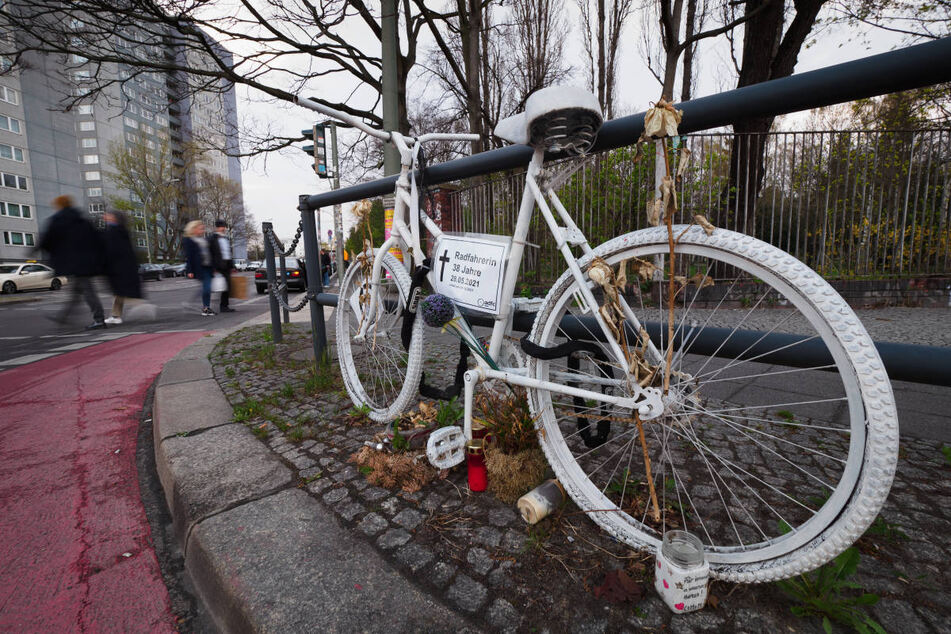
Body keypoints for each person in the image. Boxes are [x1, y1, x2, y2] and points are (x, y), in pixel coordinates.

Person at [38, 195, 106, 329]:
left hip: (72, 263)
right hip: (86, 262)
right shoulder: (83, 221)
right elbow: (97, 240)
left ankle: (99, 319)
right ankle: (63, 317)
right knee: (78, 292)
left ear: (59, 205)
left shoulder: (57, 221)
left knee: (87, 291)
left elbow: (46, 241)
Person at [101, 210, 142, 325]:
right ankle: (116, 315)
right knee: (119, 293)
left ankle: (118, 315)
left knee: (120, 292)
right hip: (121, 267)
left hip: (118, 267)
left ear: (114, 218)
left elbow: (113, 249)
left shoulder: (115, 230)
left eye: (108, 215)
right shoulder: (118, 229)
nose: (105, 216)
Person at [183, 220, 215, 316]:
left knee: (207, 288)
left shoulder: (203, 239)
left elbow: (209, 253)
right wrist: (189, 270)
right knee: (207, 288)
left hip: (208, 266)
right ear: (194, 229)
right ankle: (201, 306)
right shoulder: (188, 240)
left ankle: (206, 307)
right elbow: (189, 256)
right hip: (199, 267)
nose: (203, 230)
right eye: (201, 228)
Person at [208, 219, 235, 312]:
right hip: (218, 265)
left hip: (226, 264)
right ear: (217, 228)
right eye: (221, 227)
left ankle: (224, 306)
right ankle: (208, 305)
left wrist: (232, 266)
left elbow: (228, 252)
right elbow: (211, 253)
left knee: (227, 286)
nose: (223, 228)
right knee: (217, 286)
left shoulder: (226, 238)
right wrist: (214, 267)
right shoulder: (212, 239)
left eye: (224, 226)